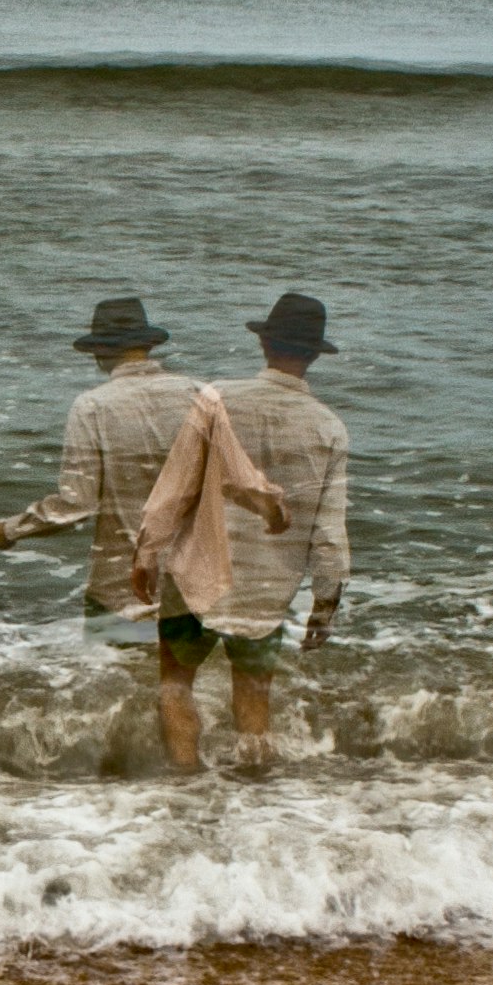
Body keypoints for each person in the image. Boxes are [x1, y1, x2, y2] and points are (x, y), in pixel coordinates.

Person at [132, 291, 349, 770]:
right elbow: (329, 531)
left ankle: (186, 785)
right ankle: (253, 796)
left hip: (198, 575)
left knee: (175, 682)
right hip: (267, 590)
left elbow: (176, 486)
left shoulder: (215, 399)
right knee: (255, 696)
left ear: (265, 342)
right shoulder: (329, 427)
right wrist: (326, 601)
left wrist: (146, 552)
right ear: (314, 354)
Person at [0, 297, 200, 643]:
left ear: (99, 349)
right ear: (148, 344)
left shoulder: (94, 406)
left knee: (119, 688)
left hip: (125, 589)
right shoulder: (200, 395)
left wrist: (10, 530)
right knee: (188, 689)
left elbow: (77, 505)